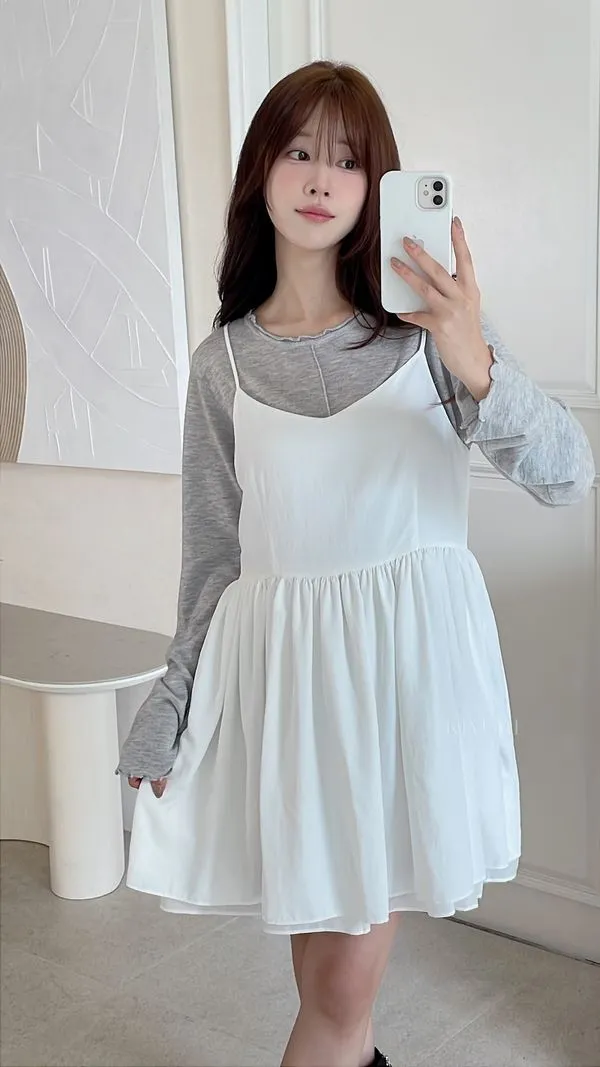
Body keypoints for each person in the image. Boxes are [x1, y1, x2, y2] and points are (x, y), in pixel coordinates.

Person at [117, 61, 595, 1067]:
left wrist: (475, 359)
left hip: (408, 683)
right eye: (299, 150)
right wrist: (170, 702)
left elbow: (568, 475)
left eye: (347, 159)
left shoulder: (432, 328)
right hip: (289, 689)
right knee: (323, 980)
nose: (320, 177)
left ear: (379, 184)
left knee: (336, 991)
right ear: (261, 171)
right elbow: (213, 557)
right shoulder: (223, 364)